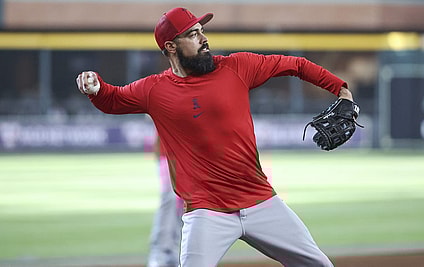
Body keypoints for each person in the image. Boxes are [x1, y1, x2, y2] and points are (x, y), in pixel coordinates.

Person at [76, 7, 355, 267]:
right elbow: (112, 99)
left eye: (202, 31)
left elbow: (295, 64)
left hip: (261, 203)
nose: (203, 38)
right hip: (206, 213)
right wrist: (95, 87)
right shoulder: (154, 90)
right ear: (171, 47)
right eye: (193, 34)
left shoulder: (237, 67)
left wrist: (341, 89)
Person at [147, 135, 183, 267]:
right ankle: (160, 254)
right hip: (169, 156)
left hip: (191, 156)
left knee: (185, 207)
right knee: (170, 202)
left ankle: (174, 254)